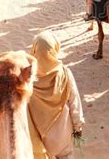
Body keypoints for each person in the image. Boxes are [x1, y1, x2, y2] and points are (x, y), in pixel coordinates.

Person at [28, 31, 85, 159]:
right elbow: (74, 103)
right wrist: (78, 126)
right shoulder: (65, 73)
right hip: (64, 135)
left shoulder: (27, 80)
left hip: (40, 140)